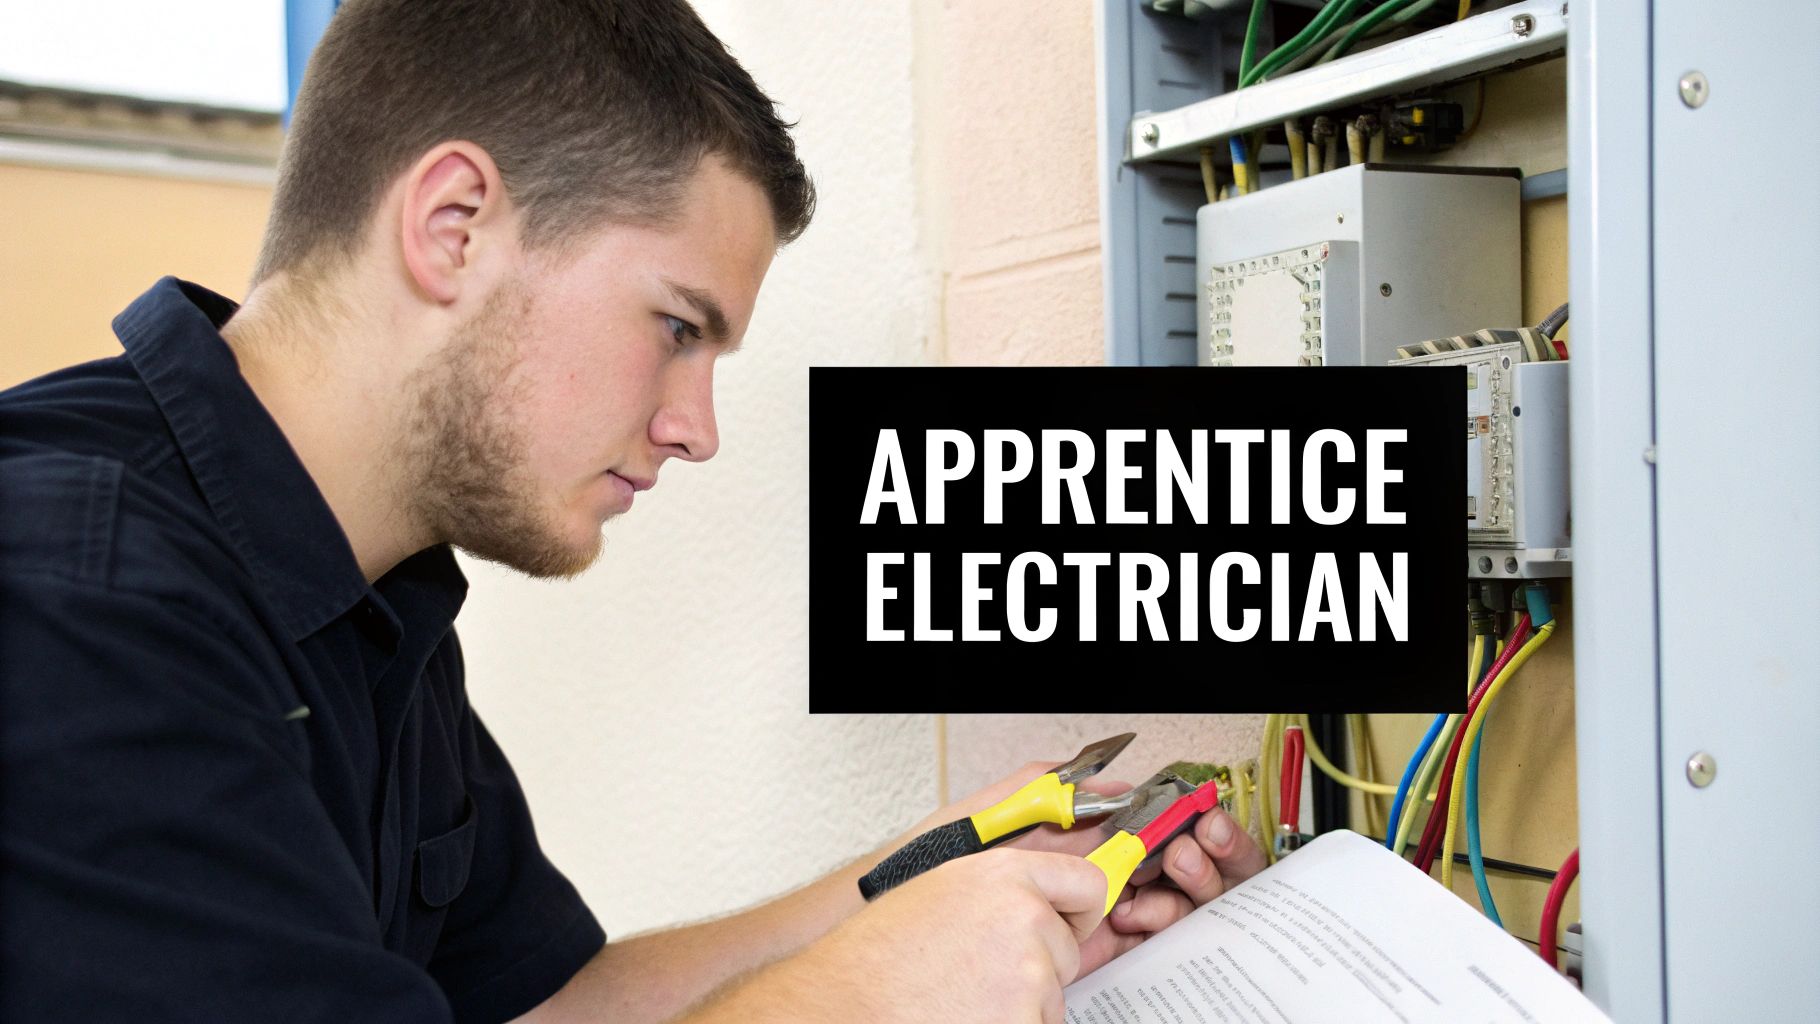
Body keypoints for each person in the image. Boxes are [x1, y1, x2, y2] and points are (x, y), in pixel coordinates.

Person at [0, 1, 1266, 1021]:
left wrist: (946, 883)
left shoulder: (372, 592)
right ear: (452, 226)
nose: (694, 427)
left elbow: (547, 1004)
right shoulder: (76, 596)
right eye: (674, 328)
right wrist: (871, 994)